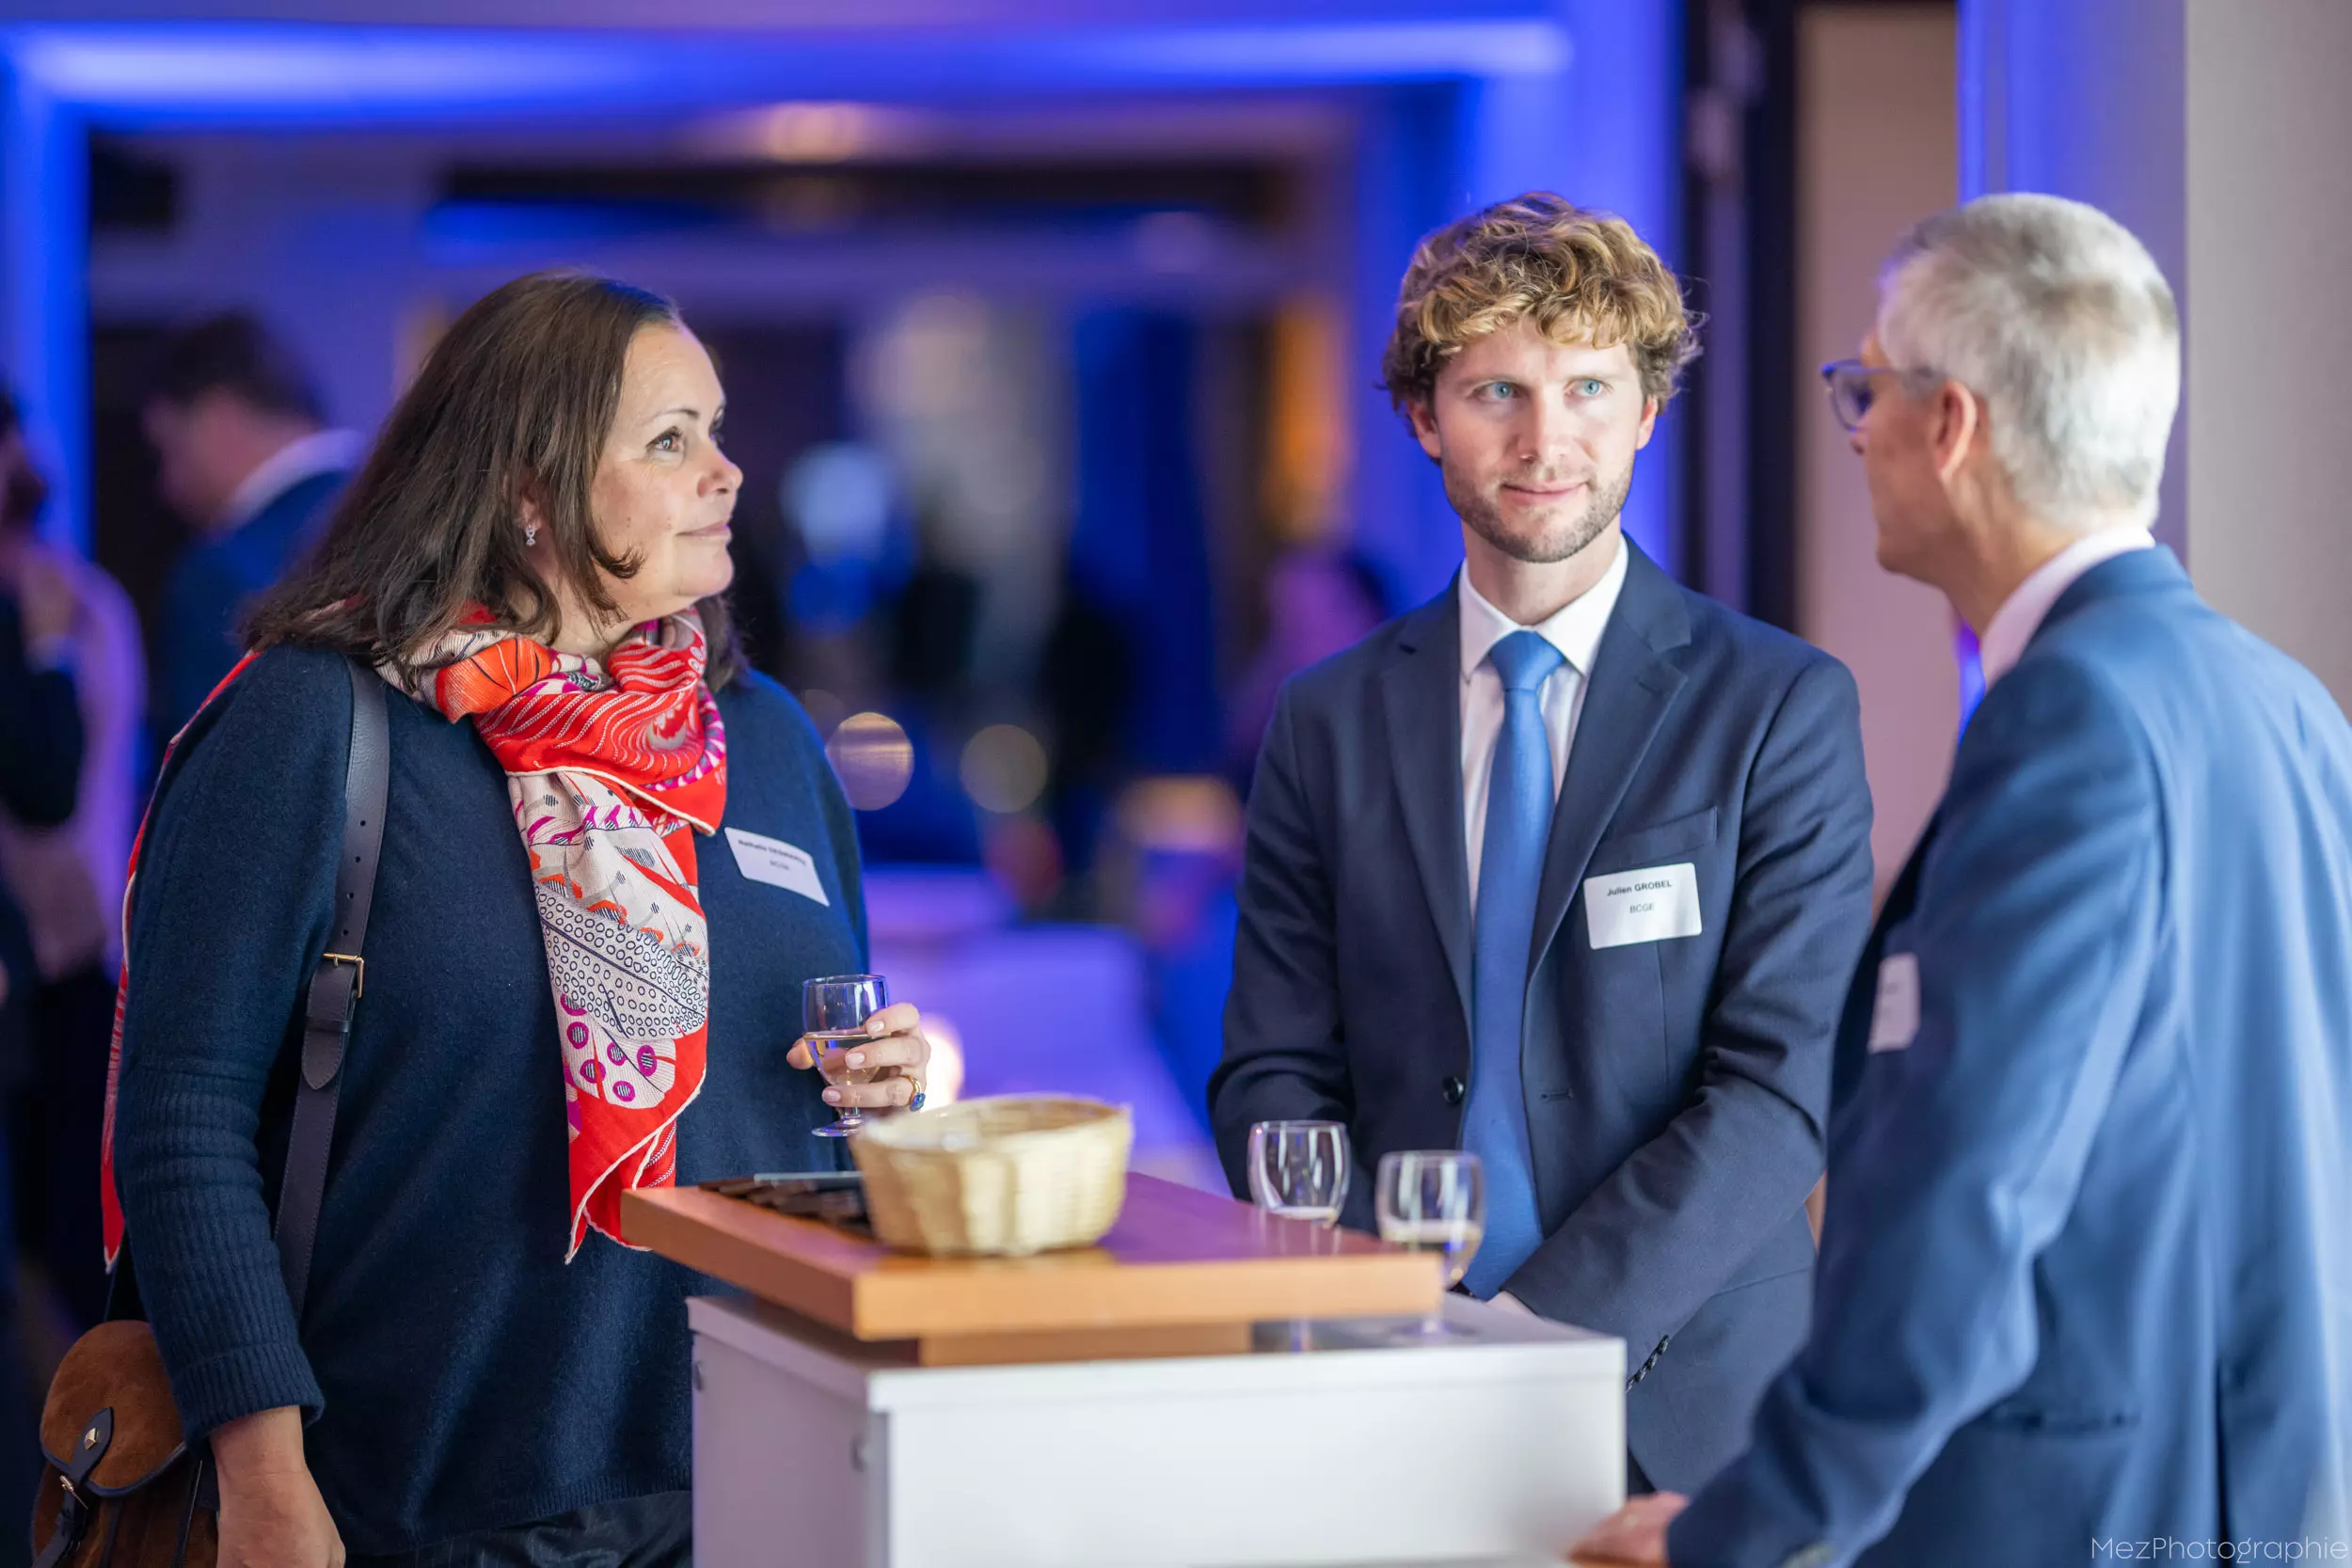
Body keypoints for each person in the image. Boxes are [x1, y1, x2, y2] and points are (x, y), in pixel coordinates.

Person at [1574, 194, 2352, 1566]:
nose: (1855, 429)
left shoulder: (2072, 717)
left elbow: (1970, 1183)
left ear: (1951, 424)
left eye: (1865, 386)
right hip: (2248, 1490)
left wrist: (1757, 1522)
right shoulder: (2280, 696)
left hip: (2063, 1511)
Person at [110, 272, 933, 1566]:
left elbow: (803, 1074)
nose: (725, 472)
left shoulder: (761, 737)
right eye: (669, 440)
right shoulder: (317, 721)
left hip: (758, 1474)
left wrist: (888, 1085)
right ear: (529, 491)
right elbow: (182, 1114)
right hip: (420, 1502)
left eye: (716, 430)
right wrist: (260, 1468)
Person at [1210, 193, 1874, 1495]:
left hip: (1690, 1416)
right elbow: (1274, 1070)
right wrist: (1391, 1304)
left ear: (1648, 409)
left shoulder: (1775, 706)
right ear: (1424, 416)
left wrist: (1526, 1337)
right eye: (1495, 391)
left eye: (1587, 388)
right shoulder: (1327, 717)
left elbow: (1781, 1088)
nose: (1544, 439)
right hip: (1390, 1384)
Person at [0, 391, 145, 1331]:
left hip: (80, 948)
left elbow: (89, 785)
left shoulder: (81, 602)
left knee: (71, 1227)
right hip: (31, 949)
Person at [144, 312, 360, 741]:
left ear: (216, 420)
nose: (167, 487)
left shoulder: (217, 574)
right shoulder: (424, 523)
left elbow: (209, 771)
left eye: (169, 450)